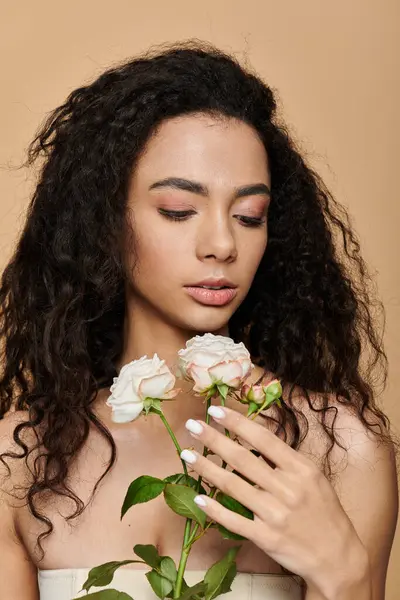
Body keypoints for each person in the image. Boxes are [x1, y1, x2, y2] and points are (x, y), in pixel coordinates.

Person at [0, 39, 398, 600]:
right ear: (104, 223)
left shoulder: (339, 448)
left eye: (249, 216)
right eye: (178, 211)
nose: (221, 244)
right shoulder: (22, 462)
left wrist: (348, 577)